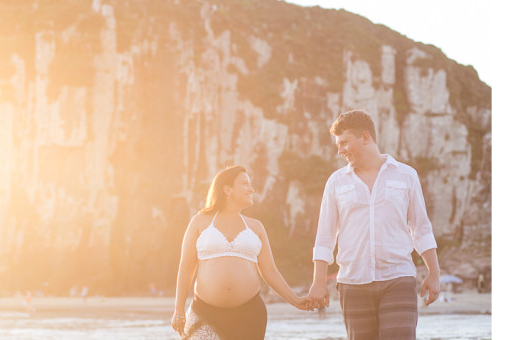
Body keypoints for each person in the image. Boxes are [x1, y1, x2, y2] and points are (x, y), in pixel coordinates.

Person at [308, 110, 441, 339]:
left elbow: (420, 228)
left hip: (398, 279)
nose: (340, 150)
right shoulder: (336, 182)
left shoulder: (406, 176)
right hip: (352, 283)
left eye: (344, 142)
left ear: (366, 137)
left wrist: (434, 273)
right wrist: (319, 281)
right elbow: (325, 236)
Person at [172, 165, 313, 339]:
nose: (251, 189)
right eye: (245, 183)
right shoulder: (199, 222)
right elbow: (186, 268)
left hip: (250, 314)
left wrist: (296, 300)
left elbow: (270, 271)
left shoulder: (256, 227)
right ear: (227, 189)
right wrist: (179, 310)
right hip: (205, 312)